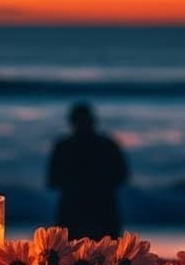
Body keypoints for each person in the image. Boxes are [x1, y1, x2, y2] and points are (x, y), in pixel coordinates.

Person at [46, 102, 129, 239]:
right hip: (103, 210)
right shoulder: (108, 145)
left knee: (70, 255)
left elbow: (52, 181)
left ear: (71, 122)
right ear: (94, 121)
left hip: (74, 211)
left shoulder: (63, 147)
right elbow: (122, 177)